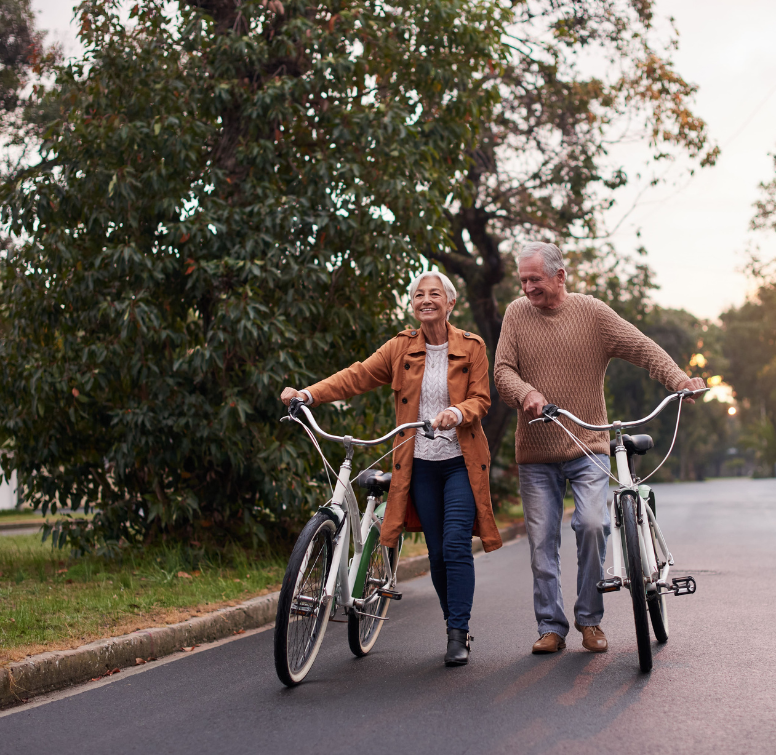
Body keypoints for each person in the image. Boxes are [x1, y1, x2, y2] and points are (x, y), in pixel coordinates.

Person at [280, 270, 501, 666]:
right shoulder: (401, 348)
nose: (426, 300)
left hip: (460, 464)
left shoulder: (472, 347)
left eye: (435, 294)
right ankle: (452, 620)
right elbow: (357, 375)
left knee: (454, 546)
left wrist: (456, 411)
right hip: (419, 466)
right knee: (436, 554)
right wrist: (308, 393)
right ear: (413, 304)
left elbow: (482, 400)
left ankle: (458, 631)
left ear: (450, 303)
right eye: (419, 295)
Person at [494, 242, 705, 654]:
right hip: (536, 453)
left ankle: (589, 620)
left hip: (588, 446)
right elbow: (502, 370)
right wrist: (526, 392)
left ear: (560, 276)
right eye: (522, 280)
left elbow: (641, 347)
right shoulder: (516, 314)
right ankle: (551, 627)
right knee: (542, 545)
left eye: (534, 279)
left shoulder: (592, 313)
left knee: (593, 525)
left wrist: (679, 380)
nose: (527, 288)